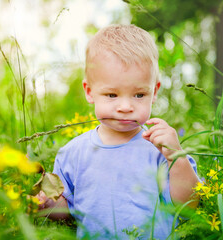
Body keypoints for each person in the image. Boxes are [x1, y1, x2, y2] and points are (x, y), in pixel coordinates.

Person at [38, 24, 201, 239]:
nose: (125, 106)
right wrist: (49, 204)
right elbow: (69, 212)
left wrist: (176, 157)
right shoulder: (73, 153)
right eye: (112, 95)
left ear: (154, 92)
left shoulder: (161, 149)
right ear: (90, 92)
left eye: (139, 95)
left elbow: (188, 205)